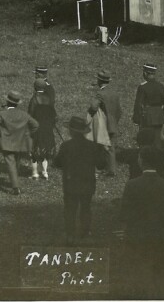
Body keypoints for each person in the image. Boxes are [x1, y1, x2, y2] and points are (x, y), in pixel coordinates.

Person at [119, 146, 164, 299]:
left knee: (141, 277)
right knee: (162, 279)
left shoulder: (132, 185)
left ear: (141, 161)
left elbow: (125, 214)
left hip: (139, 239)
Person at [52, 115, 103, 244]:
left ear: (71, 131)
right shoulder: (92, 146)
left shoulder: (66, 146)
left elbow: (57, 163)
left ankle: (70, 234)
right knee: (86, 207)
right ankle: (85, 233)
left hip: (71, 183)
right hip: (87, 182)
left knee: (70, 209)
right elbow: (101, 164)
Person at [0, 90, 37, 194]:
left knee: (11, 164)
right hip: (21, 143)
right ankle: (15, 181)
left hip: (7, 143)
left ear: (7, 102)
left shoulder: (3, 114)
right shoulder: (24, 114)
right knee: (16, 163)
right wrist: (28, 134)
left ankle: (15, 187)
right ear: (17, 103)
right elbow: (35, 125)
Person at [87, 70, 121, 174]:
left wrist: (90, 113)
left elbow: (94, 107)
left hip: (104, 124)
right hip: (114, 123)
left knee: (101, 145)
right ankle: (111, 169)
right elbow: (119, 111)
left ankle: (104, 168)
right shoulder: (115, 94)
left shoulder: (100, 94)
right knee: (111, 147)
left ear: (99, 81)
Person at [27, 78, 58, 180]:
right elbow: (53, 114)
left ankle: (35, 173)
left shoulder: (34, 99)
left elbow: (30, 114)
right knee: (46, 149)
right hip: (48, 127)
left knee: (34, 150)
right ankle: (45, 172)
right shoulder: (49, 99)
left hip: (37, 127)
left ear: (35, 87)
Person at [132, 63, 164, 149]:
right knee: (157, 139)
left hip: (147, 115)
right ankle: (158, 156)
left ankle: (145, 156)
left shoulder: (143, 87)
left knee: (146, 139)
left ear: (145, 73)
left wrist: (137, 119)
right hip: (159, 115)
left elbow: (138, 104)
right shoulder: (161, 86)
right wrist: (162, 113)